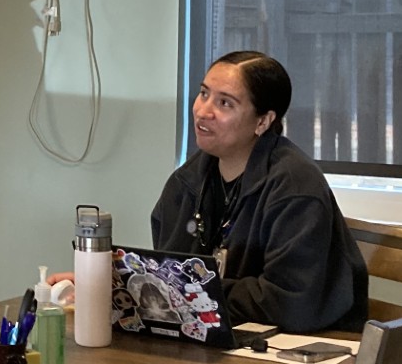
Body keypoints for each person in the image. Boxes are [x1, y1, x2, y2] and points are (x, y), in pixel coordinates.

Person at [150, 50, 367, 334]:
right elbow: (169, 272)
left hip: (303, 351)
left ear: (262, 122)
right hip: (223, 338)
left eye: (224, 103)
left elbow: (290, 302)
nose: (203, 111)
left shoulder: (295, 187)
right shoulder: (188, 180)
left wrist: (200, 292)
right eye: (204, 94)